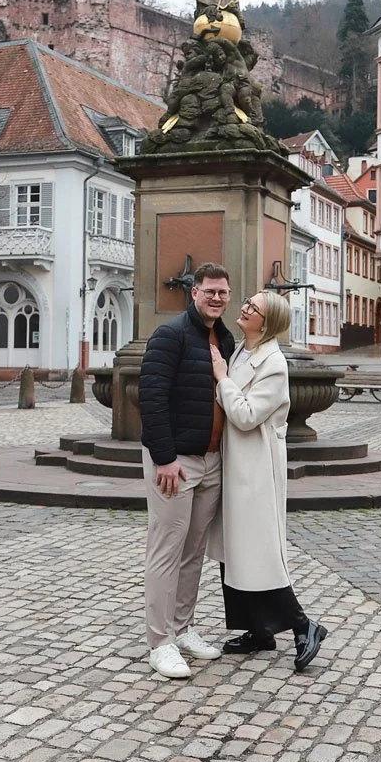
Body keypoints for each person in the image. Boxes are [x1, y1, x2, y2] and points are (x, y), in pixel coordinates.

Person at [208, 291, 329, 672]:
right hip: (235, 462)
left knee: (258, 550)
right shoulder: (243, 350)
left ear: (268, 321)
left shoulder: (273, 364)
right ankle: (258, 630)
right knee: (233, 548)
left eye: (253, 308)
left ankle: (303, 625)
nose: (244, 308)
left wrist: (223, 379)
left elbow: (244, 416)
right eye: (246, 302)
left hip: (255, 467)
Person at [137, 262, 235, 679]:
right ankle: (159, 643)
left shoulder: (225, 339)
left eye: (223, 292)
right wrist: (164, 458)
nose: (216, 298)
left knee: (193, 553)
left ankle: (182, 628)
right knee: (166, 552)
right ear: (194, 293)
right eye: (209, 291)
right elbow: (151, 396)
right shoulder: (170, 334)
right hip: (176, 463)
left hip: (211, 461)